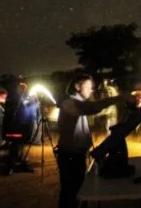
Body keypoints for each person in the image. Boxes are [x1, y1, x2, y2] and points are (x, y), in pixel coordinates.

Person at [56, 74, 134, 208]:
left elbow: (92, 108)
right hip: (69, 156)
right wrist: (120, 98)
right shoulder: (69, 103)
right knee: (70, 194)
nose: (90, 90)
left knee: (79, 192)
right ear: (77, 87)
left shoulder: (78, 104)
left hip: (76, 155)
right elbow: (92, 108)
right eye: (88, 87)